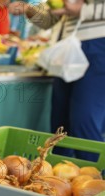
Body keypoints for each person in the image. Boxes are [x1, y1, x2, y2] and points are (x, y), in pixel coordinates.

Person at [9, 0, 105, 161]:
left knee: (84, 119)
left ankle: (95, 178)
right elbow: (48, 21)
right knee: (60, 122)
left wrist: (84, 10)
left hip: (99, 45)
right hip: (68, 49)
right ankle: (58, 171)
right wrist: (27, 9)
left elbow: (79, 10)